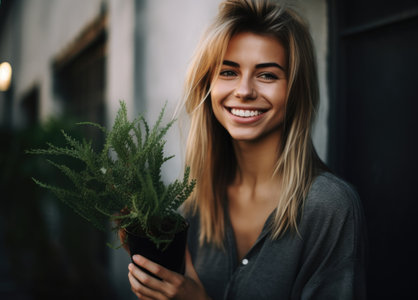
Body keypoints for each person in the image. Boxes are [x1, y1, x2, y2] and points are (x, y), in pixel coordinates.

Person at [126, 0, 367, 299]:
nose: (244, 91)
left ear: (295, 90)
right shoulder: (195, 202)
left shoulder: (330, 207)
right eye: (228, 72)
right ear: (207, 86)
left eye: (267, 75)